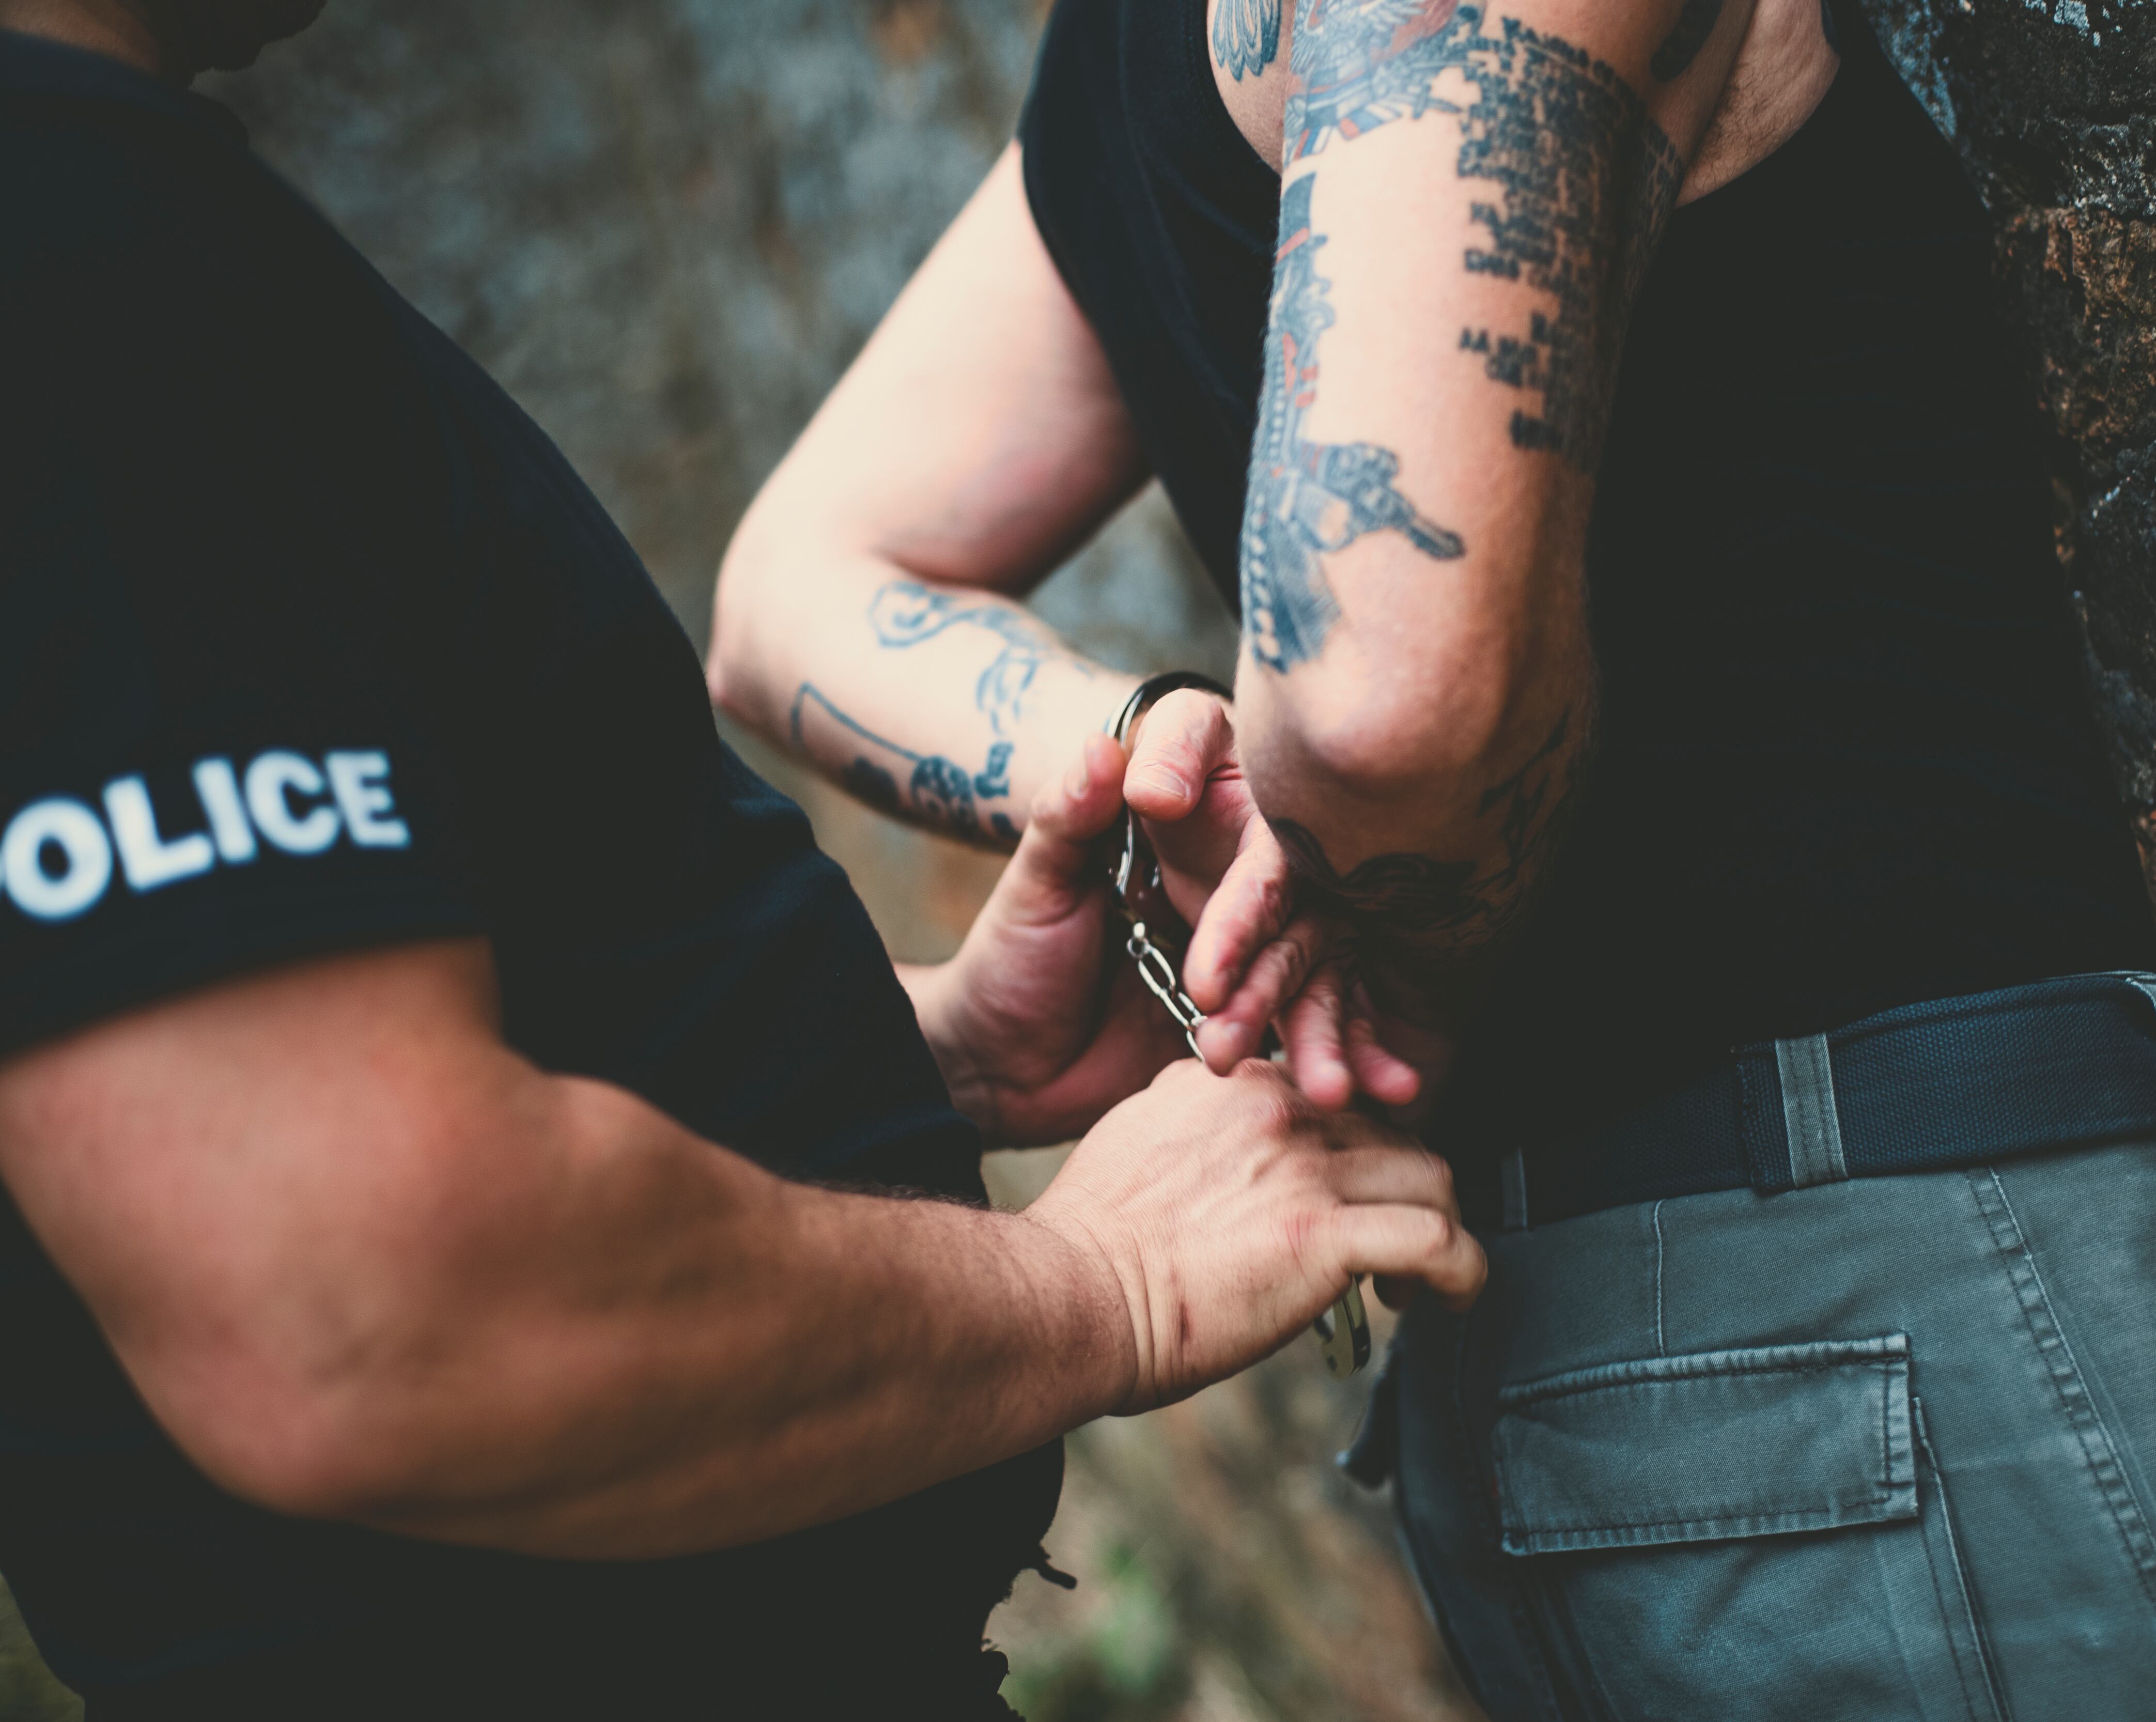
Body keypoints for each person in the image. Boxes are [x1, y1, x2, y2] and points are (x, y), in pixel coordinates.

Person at [713, 0, 2156, 1714]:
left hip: (1549, 1391)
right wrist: (1368, 932)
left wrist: (1189, 789)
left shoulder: (1117, 52)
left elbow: (790, 588)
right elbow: (1386, 698)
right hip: (1908, 1313)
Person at [0, 3, 1487, 1716]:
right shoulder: (62, 234)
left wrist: (913, 1060)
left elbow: (210, 1101)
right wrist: (1107, 1284)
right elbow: (364, 1308)